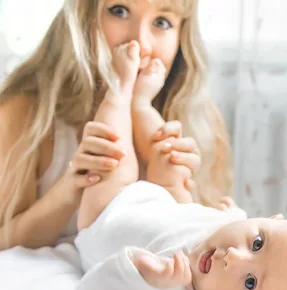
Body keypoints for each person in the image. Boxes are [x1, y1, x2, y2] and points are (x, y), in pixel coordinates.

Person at [73, 42, 287, 290]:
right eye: (257, 243)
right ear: (271, 219)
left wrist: (138, 271)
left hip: (107, 214)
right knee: (172, 160)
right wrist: (227, 212)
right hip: (166, 203)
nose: (233, 257)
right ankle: (142, 104)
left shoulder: (172, 285)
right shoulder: (228, 227)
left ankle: (120, 92)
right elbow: (220, 218)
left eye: (249, 283)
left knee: (114, 159)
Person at [0, 0, 232, 250]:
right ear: (81, 16)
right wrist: (70, 188)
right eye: (119, 11)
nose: (140, 43)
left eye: (162, 22)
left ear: (181, 37)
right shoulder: (27, 114)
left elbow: (206, 248)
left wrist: (182, 190)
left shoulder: (199, 120)